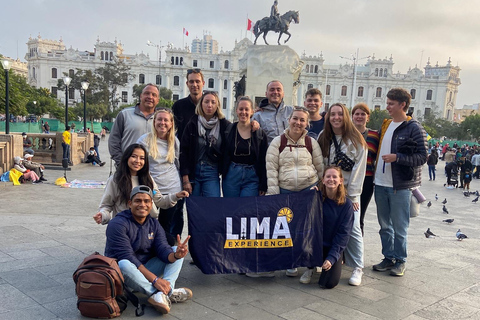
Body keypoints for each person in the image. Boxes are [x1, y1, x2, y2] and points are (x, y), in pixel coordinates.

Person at [105, 185, 192, 315]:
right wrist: (155, 280)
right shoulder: (117, 224)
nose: (142, 205)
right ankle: (160, 293)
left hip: (145, 271)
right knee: (123, 263)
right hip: (124, 276)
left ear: (151, 204)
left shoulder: (153, 223)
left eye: (146, 201)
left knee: (174, 249)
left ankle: (164, 292)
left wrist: (176, 255)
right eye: (138, 201)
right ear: (130, 203)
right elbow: (127, 256)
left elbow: (162, 248)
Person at [261, 106, 323, 278]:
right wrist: (273, 196)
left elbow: (320, 168)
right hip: (285, 190)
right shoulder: (277, 142)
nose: (298, 123)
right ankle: (291, 262)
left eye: (302, 120)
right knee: (288, 229)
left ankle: (309, 261)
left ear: (307, 124)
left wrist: (320, 189)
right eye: (295, 118)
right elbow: (271, 170)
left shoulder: (311, 143)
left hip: (307, 191)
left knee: (307, 227)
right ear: (289, 120)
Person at [373, 88, 428, 277]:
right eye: (387, 103)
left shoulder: (414, 127)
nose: (387, 107)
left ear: (402, 105)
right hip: (380, 183)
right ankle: (388, 257)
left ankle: (400, 260)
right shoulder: (386, 124)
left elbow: (422, 156)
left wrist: (398, 157)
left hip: (400, 185)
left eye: (390, 104)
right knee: (384, 225)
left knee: (399, 226)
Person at [317, 103, 367, 286]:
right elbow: (321, 163)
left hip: (349, 191)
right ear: (328, 117)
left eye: (339, 114)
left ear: (345, 116)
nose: (336, 118)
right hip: (329, 189)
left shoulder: (356, 139)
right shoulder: (324, 137)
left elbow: (359, 169)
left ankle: (358, 267)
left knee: (353, 228)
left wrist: (352, 196)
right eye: (332, 115)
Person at [93, 144, 188, 228]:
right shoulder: (116, 180)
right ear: (127, 158)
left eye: (142, 158)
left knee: (168, 242)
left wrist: (176, 196)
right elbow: (106, 205)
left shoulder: (148, 178)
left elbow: (159, 201)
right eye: (134, 156)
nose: (137, 161)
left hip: (148, 226)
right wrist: (103, 215)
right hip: (125, 225)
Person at [299, 166, 354, 288]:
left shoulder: (347, 205)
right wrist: (310, 196)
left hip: (332, 246)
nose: (331, 179)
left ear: (340, 180)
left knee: (328, 283)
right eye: (328, 176)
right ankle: (310, 267)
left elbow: (343, 235)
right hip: (314, 245)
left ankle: (331, 261)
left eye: (335, 177)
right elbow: (301, 214)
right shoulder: (316, 198)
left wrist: (332, 258)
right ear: (323, 180)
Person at [137, 108, 186, 244]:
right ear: (154, 122)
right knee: (148, 225)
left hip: (172, 189)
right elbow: (137, 163)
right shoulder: (144, 141)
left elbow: (177, 163)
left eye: (166, 120)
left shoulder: (174, 141)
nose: (162, 123)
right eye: (159, 119)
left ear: (171, 124)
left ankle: (168, 253)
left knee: (166, 227)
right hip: (151, 189)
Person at [180, 91, 230, 197]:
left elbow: (240, 130)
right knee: (194, 208)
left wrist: (253, 124)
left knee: (212, 206)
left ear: (217, 105)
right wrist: (185, 179)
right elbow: (183, 151)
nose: (209, 105)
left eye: (213, 102)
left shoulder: (224, 125)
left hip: (212, 171)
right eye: (206, 102)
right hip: (194, 170)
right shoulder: (192, 124)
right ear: (201, 104)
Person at [222, 96, 268, 197]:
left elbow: (263, 160)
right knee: (231, 208)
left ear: (252, 111)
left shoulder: (259, 134)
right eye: (241, 109)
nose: (243, 112)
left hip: (252, 176)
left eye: (247, 109)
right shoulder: (228, 130)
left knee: (247, 209)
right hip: (231, 175)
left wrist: (263, 184)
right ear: (236, 111)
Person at [109, 84, 159, 167]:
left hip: (152, 170)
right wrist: (122, 162)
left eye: (154, 95)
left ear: (158, 100)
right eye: (147, 93)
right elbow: (114, 141)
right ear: (141, 96)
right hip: (127, 168)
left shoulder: (161, 119)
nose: (150, 97)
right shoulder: (125, 114)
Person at [351, 103, 379, 235]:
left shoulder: (375, 135)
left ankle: (357, 250)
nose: (359, 116)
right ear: (352, 116)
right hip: (349, 178)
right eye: (357, 113)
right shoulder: (346, 134)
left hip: (367, 180)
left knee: (359, 216)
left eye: (363, 114)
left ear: (368, 117)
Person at [252, 80, 293, 144]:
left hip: (289, 152)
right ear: (266, 94)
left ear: (283, 94)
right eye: (272, 89)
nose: (275, 92)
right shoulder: (258, 116)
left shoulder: (292, 111)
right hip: (268, 152)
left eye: (278, 90)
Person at [172, 69, 205, 140]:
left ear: (203, 83)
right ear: (187, 84)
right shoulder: (178, 106)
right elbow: (171, 130)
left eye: (197, 81)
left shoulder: (209, 106)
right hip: (183, 149)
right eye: (191, 82)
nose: (194, 85)